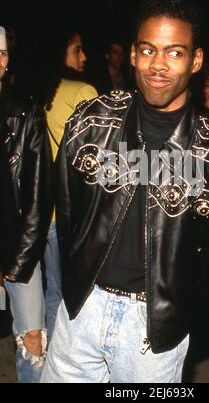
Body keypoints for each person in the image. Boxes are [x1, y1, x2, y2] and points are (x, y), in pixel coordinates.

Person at [41, 0, 209, 383]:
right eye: (148, 50)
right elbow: (67, 215)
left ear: (196, 60)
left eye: (174, 53)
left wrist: (175, 312)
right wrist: (77, 288)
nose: (158, 64)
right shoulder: (91, 123)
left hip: (152, 331)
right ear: (134, 55)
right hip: (81, 311)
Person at [0, 25, 52, 382]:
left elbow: (37, 196)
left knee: (33, 338)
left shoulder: (25, 114)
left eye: (1, 54)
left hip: (17, 246)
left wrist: (18, 263)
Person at [41, 30, 98, 340]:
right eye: (78, 49)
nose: (84, 56)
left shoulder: (37, 92)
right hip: (74, 216)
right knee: (78, 298)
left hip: (41, 213)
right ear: (61, 53)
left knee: (52, 295)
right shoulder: (83, 91)